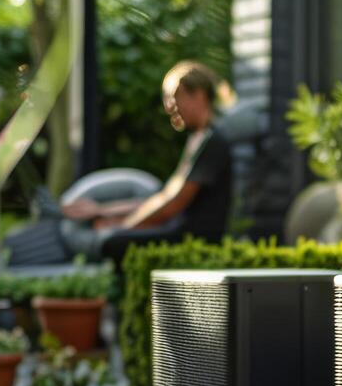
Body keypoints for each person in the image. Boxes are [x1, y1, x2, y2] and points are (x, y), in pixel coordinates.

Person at [58, 60, 233, 263]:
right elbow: (164, 195)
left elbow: (174, 204)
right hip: (178, 228)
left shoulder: (212, 142)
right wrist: (104, 211)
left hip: (193, 237)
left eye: (176, 96)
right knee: (113, 235)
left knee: (112, 242)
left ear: (200, 95)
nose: (169, 106)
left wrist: (124, 226)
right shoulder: (198, 138)